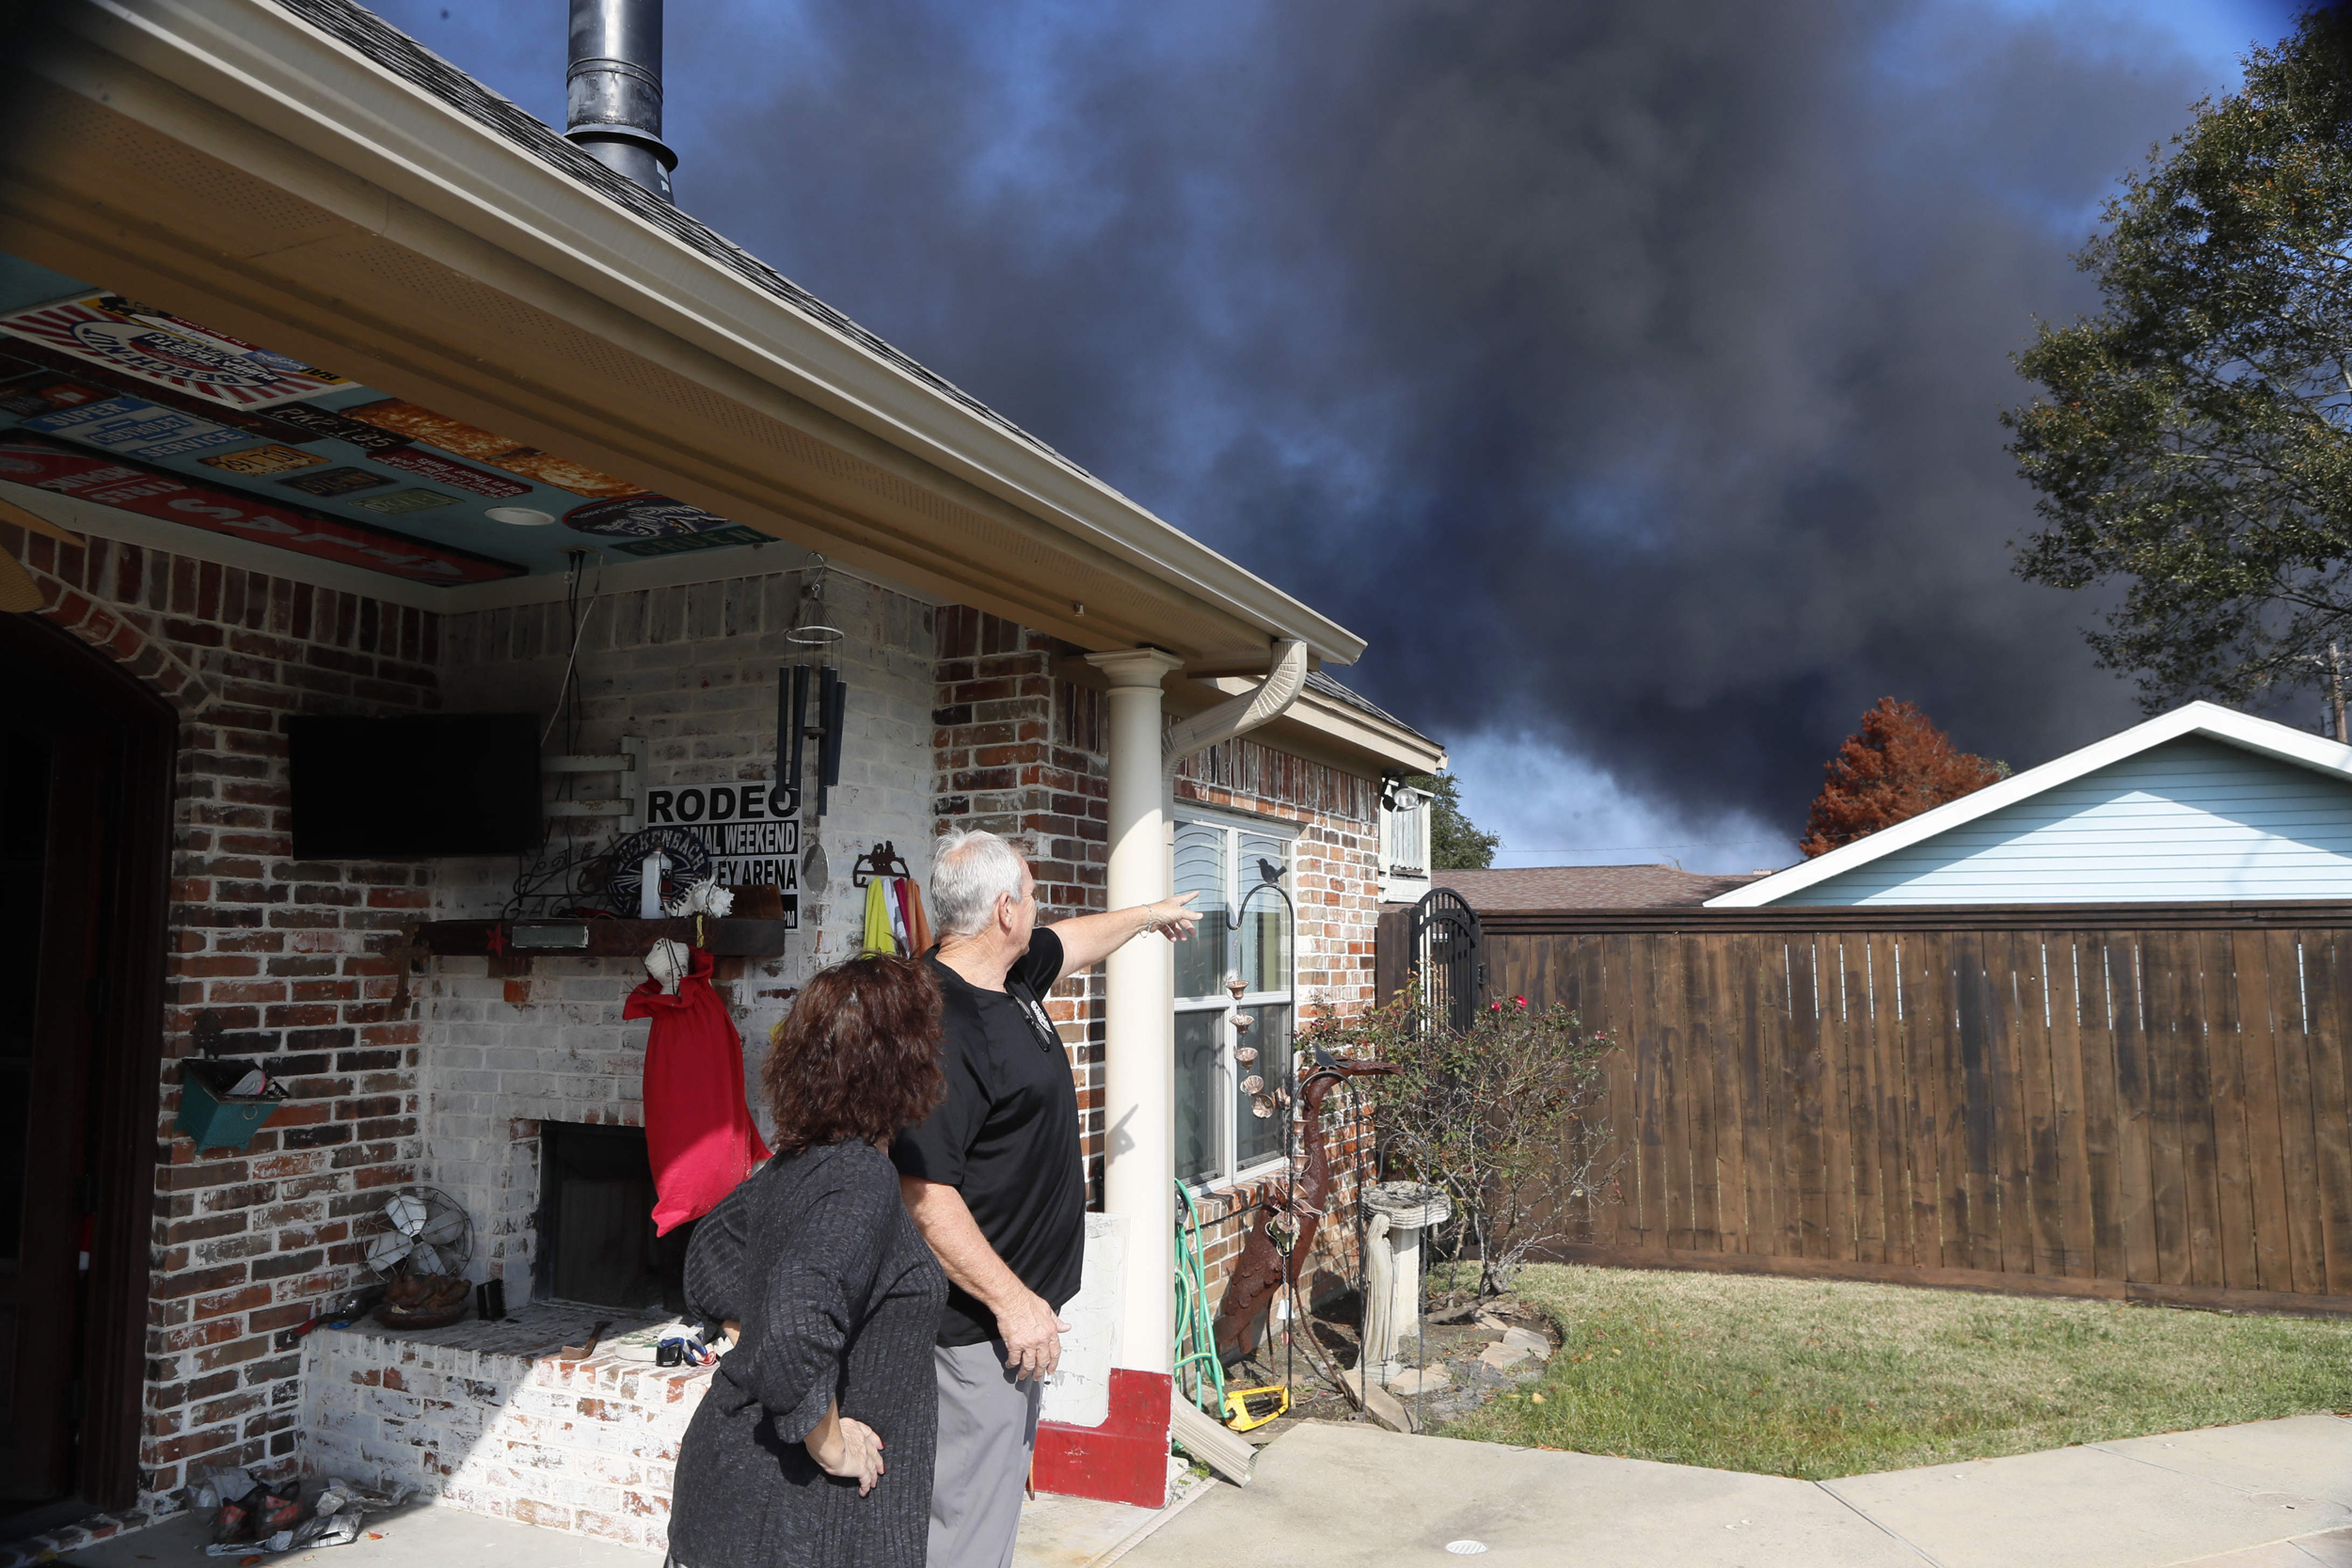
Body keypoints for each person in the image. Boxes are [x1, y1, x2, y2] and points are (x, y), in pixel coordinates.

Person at [892, 828, 1200, 1568]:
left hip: (1017, 1321)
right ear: (1004, 909)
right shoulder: (943, 1021)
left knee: (989, 1509)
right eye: (1030, 895)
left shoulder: (1010, 974)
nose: (1039, 908)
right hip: (976, 1329)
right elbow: (924, 1192)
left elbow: (1077, 939)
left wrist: (1151, 913)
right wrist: (1012, 1302)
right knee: (966, 1521)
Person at [668, 954, 950, 1568]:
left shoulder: (798, 1166)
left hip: (734, 1496)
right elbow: (798, 1320)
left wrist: (757, 1331)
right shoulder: (860, 1176)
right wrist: (832, 1445)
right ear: (902, 1061)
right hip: (793, 1518)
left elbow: (710, 1248)